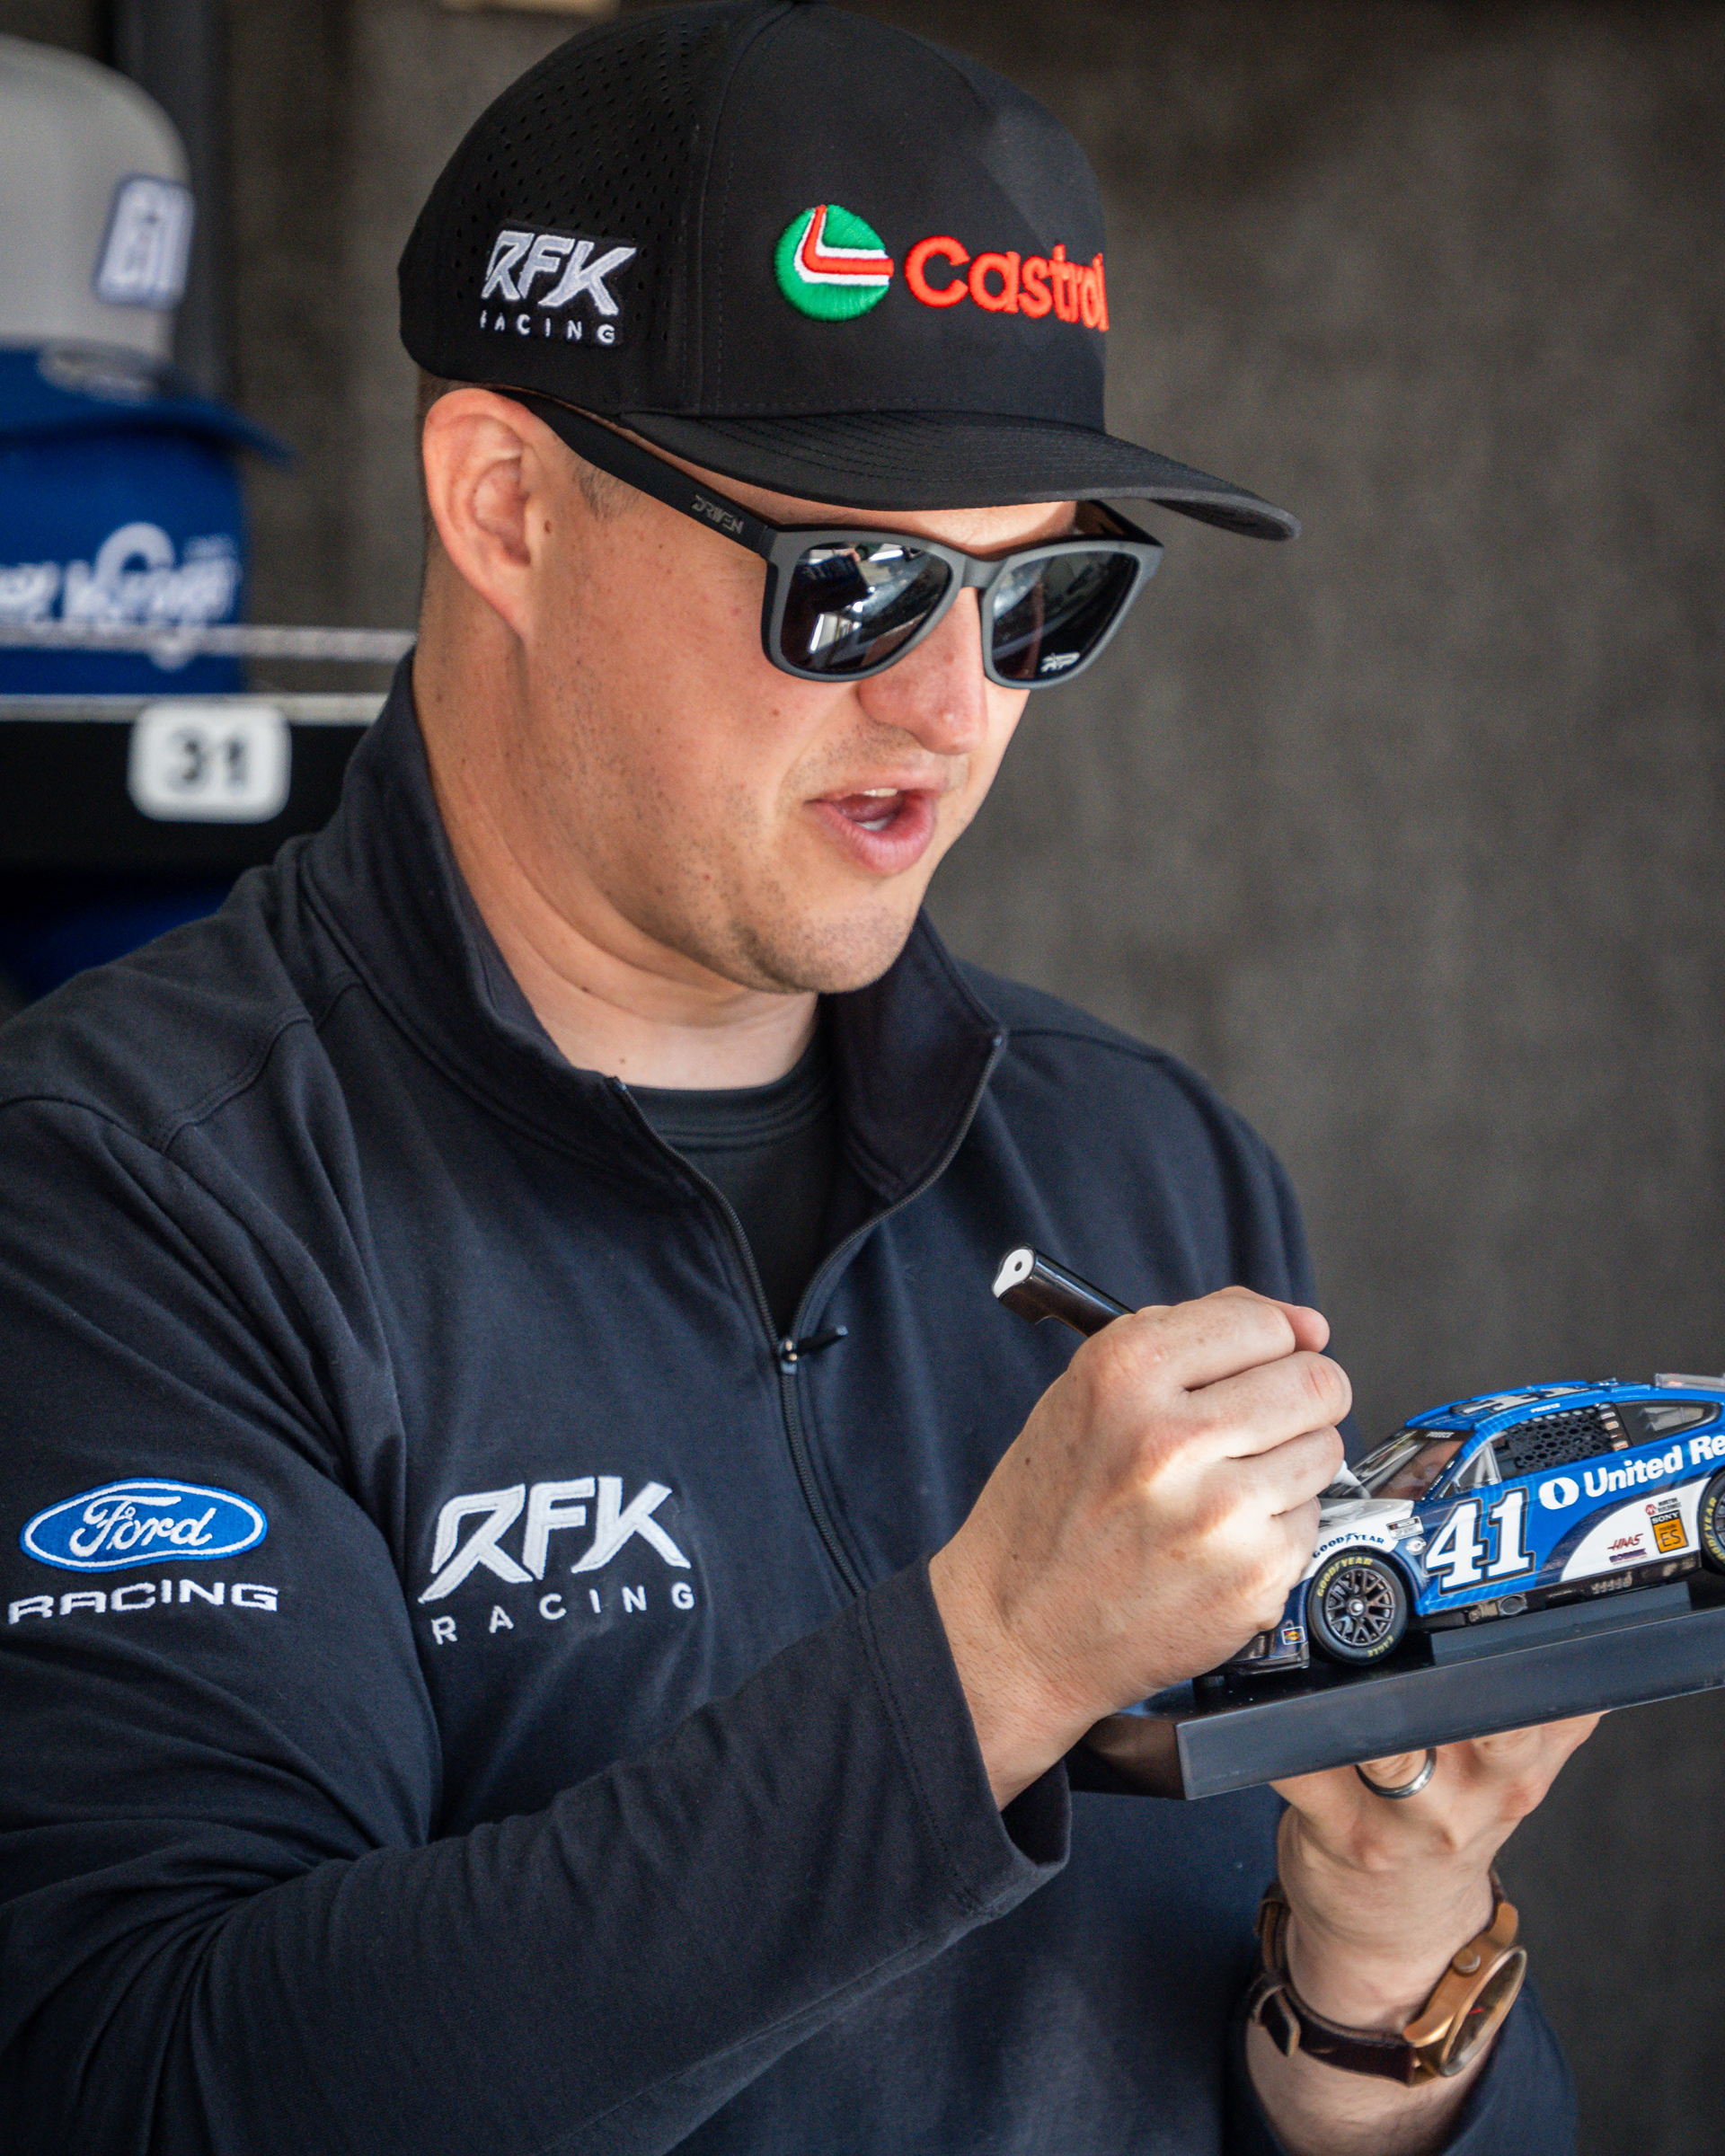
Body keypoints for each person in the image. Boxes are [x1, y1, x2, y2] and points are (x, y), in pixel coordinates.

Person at [0, 5, 1592, 2152]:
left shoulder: (1145, 1158)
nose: (953, 705)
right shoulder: (127, 1195)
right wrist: (989, 1666)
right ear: (507, 508)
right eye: (856, 584)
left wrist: (1382, 1981)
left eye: (1043, 596)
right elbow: (146, 2084)